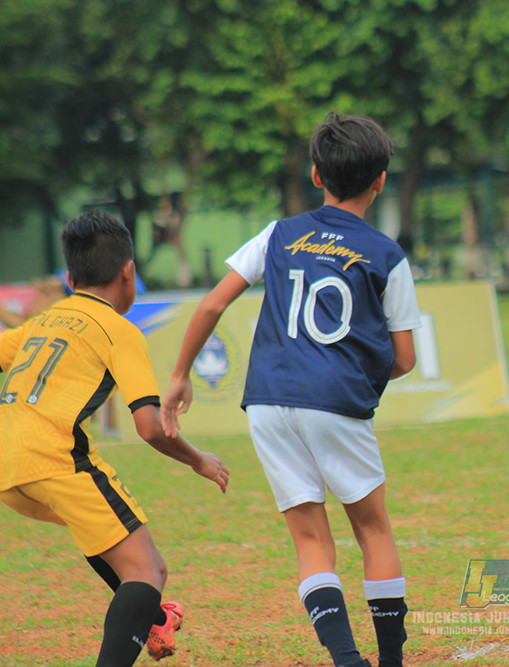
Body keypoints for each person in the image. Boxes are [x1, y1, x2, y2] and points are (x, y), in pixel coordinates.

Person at [161, 112, 420, 667]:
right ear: (381, 180)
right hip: (336, 402)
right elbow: (405, 359)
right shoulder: (386, 255)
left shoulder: (279, 233)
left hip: (268, 401)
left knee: (311, 542)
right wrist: (358, 373)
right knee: (373, 530)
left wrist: (180, 375)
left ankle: (346, 660)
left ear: (315, 174)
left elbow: (211, 303)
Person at [0, 211, 229, 665]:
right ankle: (143, 615)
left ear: (69, 278)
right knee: (150, 568)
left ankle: (149, 618)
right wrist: (198, 459)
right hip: (55, 457)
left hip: (8, 465)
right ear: (129, 274)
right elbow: (149, 426)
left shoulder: (44, 321)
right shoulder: (119, 330)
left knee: (116, 549)